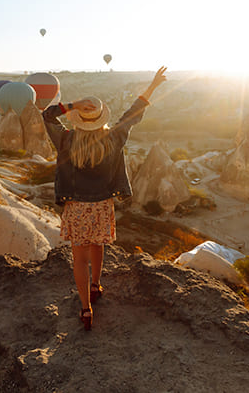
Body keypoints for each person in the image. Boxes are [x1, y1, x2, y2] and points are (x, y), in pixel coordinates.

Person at [42, 67, 168, 330]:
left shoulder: (66, 140)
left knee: (79, 259)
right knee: (98, 244)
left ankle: (86, 309)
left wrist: (73, 104)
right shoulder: (114, 137)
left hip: (76, 206)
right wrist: (153, 86)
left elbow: (47, 115)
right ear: (101, 119)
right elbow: (133, 113)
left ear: (79, 119)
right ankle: (97, 285)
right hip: (101, 205)